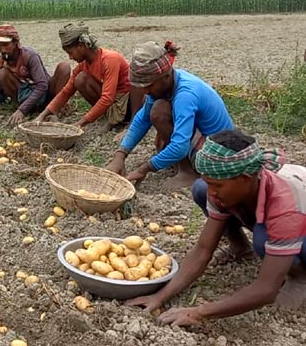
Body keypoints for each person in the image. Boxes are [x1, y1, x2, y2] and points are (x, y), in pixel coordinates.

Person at [126, 129, 306, 325]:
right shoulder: (233, 186)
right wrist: (159, 296)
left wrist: (198, 312)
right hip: (275, 215)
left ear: (245, 179)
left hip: (298, 220)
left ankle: (299, 276)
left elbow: (266, 290)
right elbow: (203, 249)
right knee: (200, 189)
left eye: (217, 185)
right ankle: (240, 248)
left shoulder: (285, 205)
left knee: (263, 239)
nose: (213, 192)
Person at [104, 41, 234, 189]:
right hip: (200, 138)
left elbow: (179, 146)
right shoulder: (165, 85)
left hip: (220, 151)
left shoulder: (185, 95)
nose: (145, 91)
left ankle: (188, 172)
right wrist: (120, 155)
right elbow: (142, 118)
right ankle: (184, 164)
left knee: (159, 112)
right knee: (156, 110)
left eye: (149, 86)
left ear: (165, 77)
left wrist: (143, 169)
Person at [34, 23, 142, 128]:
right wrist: (42, 115)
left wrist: (79, 123)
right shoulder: (83, 65)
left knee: (82, 79)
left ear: (81, 46)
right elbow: (66, 92)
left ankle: (122, 120)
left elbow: (107, 98)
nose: (70, 57)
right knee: (80, 80)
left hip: (129, 104)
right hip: (113, 101)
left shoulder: (109, 59)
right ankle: (108, 116)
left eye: (71, 53)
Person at [0, 24, 70, 126]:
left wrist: (22, 110)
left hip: (46, 94)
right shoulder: (0, 62)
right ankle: (29, 108)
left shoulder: (29, 56)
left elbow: (42, 85)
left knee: (64, 67)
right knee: (2, 74)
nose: (3, 50)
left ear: (15, 42)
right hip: (24, 96)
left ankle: (55, 109)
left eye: (6, 45)